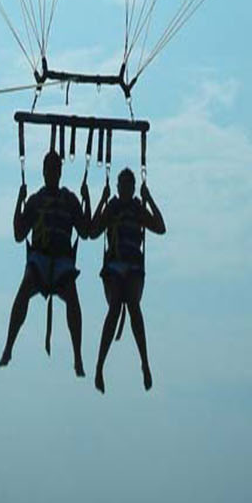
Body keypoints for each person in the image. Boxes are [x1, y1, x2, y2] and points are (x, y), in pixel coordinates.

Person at [0, 149, 92, 376]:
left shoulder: (69, 200)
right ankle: (9, 345)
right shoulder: (36, 201)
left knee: (72, 296)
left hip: (61, 260)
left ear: (60, 172)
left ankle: (77, 356)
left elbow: (85, 230)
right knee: (24, 289)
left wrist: (87, 200)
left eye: (56, 169)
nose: (53, 173)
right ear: (43, 172)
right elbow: (19, 234)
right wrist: (19, 202)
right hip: (40, 259)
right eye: (50, 169)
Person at [90, 167, 166, 393]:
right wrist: (102, 202)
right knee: (114, 307)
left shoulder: (137, 209)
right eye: (121, 185)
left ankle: (145, 362)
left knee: (133, 305)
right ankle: (99, 366)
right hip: (114, 266)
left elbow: (160, 228)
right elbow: (93, 232)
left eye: (128, 186)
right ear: (117, 187)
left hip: (133, 268)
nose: (124, 189)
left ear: (133, 189)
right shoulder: (112, 208)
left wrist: (149, 198)